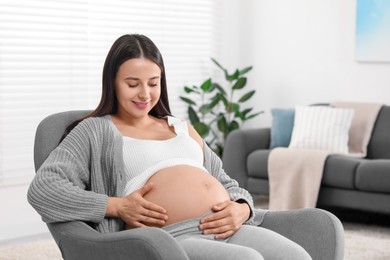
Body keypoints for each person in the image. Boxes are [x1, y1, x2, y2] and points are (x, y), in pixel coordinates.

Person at [28, 34, 311, 260]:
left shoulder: (180, 127)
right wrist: (117, 206)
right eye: (132, 84)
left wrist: (242, 209)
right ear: (112, 83)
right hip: (169, 238)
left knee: (296, 255)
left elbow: (226, 182)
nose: (145, 94)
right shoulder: (96, 130)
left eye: (153, 83)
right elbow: (44, 188)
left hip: (225, 226)